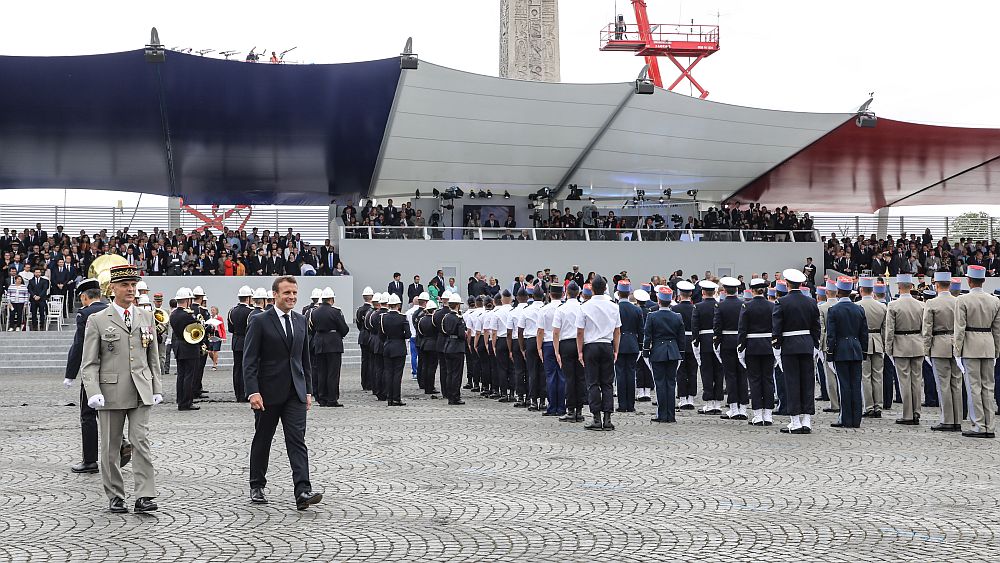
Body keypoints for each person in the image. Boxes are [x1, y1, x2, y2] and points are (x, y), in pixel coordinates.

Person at [79, 264, 162, 513]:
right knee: (110, 446)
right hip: (110, 393)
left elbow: (153, 357)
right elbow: (89, 362)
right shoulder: (98, 320)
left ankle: (145, 495)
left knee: (141, 441)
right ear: (111, 288)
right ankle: (115, 494)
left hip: (140, 390)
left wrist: (156, 386)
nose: (130, 289)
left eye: (133, 285)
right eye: (125, 285)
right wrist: (93, 391)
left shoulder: (146, 316)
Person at [243, 275, 322, 510]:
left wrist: (308, 390)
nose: (292, 297)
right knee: (263, 439)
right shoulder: (260, 321)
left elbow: (304, 359)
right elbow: (249, 360)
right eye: (287, 293)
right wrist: (253, 391)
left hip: (295, 393)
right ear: (275, 294)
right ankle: (257, 484)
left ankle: (303, 490)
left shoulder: (300, 321)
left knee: (297, 441)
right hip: (267, 393)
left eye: (295, 293)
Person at [63, 278, 132, 474]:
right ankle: (122, 443)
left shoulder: (85, 314)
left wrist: (70, 374)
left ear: (84, 297)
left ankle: (90, 460)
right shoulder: (114, 310)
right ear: (100, 295)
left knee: (88, 415)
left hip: (93, 372)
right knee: (113, 411)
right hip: (115, 372)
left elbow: (79, 346)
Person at [954, 265, 1000, 438]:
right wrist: (996, 350)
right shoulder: (995, 300)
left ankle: (979, 424)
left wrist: (957, 351)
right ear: (984, 280)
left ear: (969, 280)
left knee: (974, 386)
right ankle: (990, 425)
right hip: (988, 344)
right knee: (988, 386)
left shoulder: (962, 300)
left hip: (971, 345)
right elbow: (997, 329)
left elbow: (959, 329)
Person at [773, 268, 821, 434]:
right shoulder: (811, 302)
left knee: (792, 383)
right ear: (801, 284)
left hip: (789, 346)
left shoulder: (782, 302)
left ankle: (795, 421)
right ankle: (807, 420)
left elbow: (777, 328)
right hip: (807, 345)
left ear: (787, 284)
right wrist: (815, 345)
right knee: (808, 383)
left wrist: (776, 347)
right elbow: (816, 326)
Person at [576, 275, 622, 431]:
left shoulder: (584, 307)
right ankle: (608, 418)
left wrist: (580, 351)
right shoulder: (614, 306)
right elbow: (617, 331)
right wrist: (616, 349)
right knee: (607, 383)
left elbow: (580, 332)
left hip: (591, 346)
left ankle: (596, 418)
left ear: (592, 289)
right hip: (607, 345)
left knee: (593, 383)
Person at [826, 276, 868, 428]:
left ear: (838, 291)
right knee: (855, 384)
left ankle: (845, 419)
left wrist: (829, 354)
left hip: (841, 350)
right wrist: (863, 352)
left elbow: (831, 335)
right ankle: (856, 419)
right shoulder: (859, 309)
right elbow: (864, 333)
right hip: (856, 349)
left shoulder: (833, 310)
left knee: (844, 385)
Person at [921, 272, 962, 431]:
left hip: (939, 345)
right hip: (955, 344)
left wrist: (926, 350)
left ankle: (947, 419)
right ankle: (957, 419)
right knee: (956, 383)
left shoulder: (931, 303)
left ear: (936, 285)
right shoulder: (958, 301)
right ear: (950, 285)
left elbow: (927, 329)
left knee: (943, 384)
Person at [885, 273, 925, 426]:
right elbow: (925, 328)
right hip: (917, 343)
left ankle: (907, 414)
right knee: (916, 380)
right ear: (911, 287)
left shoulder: (893, 305)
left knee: (904, 381)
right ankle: (917, 411)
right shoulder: (921, 305)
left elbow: (890, 330)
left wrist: (888, 349)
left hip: (901, 344)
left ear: (899, 287)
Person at [643, 286, 685, 423]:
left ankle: (662, 414)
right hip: (673, 351)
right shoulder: (677, 317)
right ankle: (671, 415)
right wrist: (681, 353)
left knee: (660, 383)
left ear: (659, 300)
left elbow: (647, 336)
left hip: (658, 352)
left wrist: (645, 352)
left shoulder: (652, 316)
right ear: (671, 300)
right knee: (671, 384)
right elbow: (681, 338)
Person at [737, 278, 776, 426]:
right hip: (768, 347)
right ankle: (768, 414)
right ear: (764, 290)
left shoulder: (746, 306)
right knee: (768, 379)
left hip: (752, 347)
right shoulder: (772, 306)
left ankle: (758, 414)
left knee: (754, 380)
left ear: (752, 291)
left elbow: (742, 330)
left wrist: (741, 347)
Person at [308, 287, 350, 407]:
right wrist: (337, 335)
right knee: (333, 372)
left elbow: (311, 328)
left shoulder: (314, 312)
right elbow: (344, 328)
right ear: (331, 299)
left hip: (319, 342)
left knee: (321, 371)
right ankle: (332, 398)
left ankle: (322, 398)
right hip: (333, 343)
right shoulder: (335, 312)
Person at [716, 277, 748, 420]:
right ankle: (743, 408)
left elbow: (717, 327)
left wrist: (716, 344)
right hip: (741, 342)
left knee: (730, 375)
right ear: (737, 290)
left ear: (724, 290)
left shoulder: (720, 306)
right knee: (742, 375)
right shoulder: (743, 304)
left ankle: (734, 407)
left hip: (727, 343)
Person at [856, 278, 886, 419]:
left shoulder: (857, 306)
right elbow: (885, 329)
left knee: (865, 376)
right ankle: (878, 406)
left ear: (861, 290)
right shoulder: (881, 307)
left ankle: (869, 407)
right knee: (878, 376)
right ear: (872, 291)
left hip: (863, 342)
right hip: (878, 341)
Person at [553, 283, 584, 421]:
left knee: (569, 379)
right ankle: (579, 410)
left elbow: (555, 332)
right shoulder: (583, 307)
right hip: (580, 343)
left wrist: (556, 351)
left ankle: (571, 410)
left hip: (565, 344)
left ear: (566, 292)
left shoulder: (561, 309)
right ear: (578, 293)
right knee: (581, 378)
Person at [169, 288, 204, 411]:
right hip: (189, 348)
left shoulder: (173, 314)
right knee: (189, 376)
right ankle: (187, 402)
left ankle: (180, 400)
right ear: (187, 300)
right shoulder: (188, 315)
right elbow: (199, 328)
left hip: (178, 347)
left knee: (181, 375)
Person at [691, 280, 723, 414]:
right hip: (719, 342)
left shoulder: (698, 307)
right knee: (719, 373)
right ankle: (718, 403)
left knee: (707, 373)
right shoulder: (719, 305)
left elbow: (695, 327)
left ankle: (709, 403)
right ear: (715, 292)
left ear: (703, 292)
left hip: (704, 342)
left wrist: (696, 342)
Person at [538, 284, 566, 417]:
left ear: (549, 295)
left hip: (548, 343)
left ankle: (552, 406)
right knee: (562, 376)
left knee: (550, 376)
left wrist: (539, 347)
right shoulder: (564, 308)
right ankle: (562, 407)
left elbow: (540, 331)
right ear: (562, 294)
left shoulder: (544, 309)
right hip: (562, 343)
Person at [615, 280, 642, 413]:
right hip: (632, 343)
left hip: (618, 343)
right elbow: (641, 330)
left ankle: (622, 404)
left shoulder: (615, 308)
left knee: (620, 374)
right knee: (631, 374)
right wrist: (641, 346)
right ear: (629, 293)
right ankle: (630, 404)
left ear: (618, 293)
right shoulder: (636, 309)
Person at [671, 280, 698, 410]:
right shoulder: (695, 308)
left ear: (680, 294)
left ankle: (682, 398)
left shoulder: (675, 309)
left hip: (679, 342)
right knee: (693, 371)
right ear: (691, 293)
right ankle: (691, 398)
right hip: (693, 341)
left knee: (681, 371)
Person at [228, 286, 255, 403]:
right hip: (246, 341)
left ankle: (237, 393)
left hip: (236, 340)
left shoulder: (231, 311)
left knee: (237, 368)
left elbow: (230, 328)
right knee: (246, 368)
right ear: (248, 298)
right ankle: (244, 393)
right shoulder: (250, 312)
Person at [440, 293, 468, 405]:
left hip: (447, 345)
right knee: (457, 373)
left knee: (449, 372)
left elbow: (444, 330)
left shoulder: (446, 317)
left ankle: (449, 395)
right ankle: (455, 396)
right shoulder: (458, 318)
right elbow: (462, 334)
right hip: (457, 347)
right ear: (457, 305)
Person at [356, 287, 375, 391]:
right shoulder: (371, 310)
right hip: (370, 336)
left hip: (363, 335)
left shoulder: (359, 310)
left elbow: (359, 324)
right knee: (371, 361)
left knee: (364, 361)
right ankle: (370, 382)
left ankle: (364, 382)